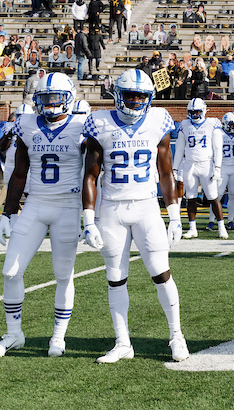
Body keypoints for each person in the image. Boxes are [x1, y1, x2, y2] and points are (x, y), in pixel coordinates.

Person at [81, 69, 189, 363]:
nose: (137, 101)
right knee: (115, 278)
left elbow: (165, 172)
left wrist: (175, 215)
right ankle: (123, 342)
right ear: (118, 95)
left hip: (145, 207)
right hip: (112, 210)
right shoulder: (99, 122)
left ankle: (176, 336)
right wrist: (88, 220)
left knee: (161, 273)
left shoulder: (158, 120)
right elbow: (90, 175)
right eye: (131, 95)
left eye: (142, 96)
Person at [0, 74, 84, 358]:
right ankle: (14, 334)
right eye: (46, 98)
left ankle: (58, 337)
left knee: (63, 275)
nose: (51, 104)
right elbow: (19, 172)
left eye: (57, 98)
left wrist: (91, 216)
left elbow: (93, 174)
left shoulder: (81, 126)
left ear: (69, 97)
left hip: (67, 205)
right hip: (36, 204)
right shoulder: (27, 124)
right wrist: (7, 213)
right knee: (10, 270)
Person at [175, 98, 227, 239]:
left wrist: (217, 167)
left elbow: (218, 148)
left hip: (206, 165)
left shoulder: (212, 123)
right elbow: (179, 150)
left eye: (198, 112)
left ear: (204, 111)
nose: (195, 115)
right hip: (189, 165)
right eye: (192, 112)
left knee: (213, 197)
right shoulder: (184, 125)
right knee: (190, 197)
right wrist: (175, 169)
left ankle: (221, 227)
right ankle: (192, 228)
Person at [216, 112, 234, 231]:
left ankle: (230, 221)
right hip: (222, 167)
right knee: (217, 195)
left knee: (233, 194)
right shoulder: (219, 133)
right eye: (232, 125)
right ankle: (213, 221)